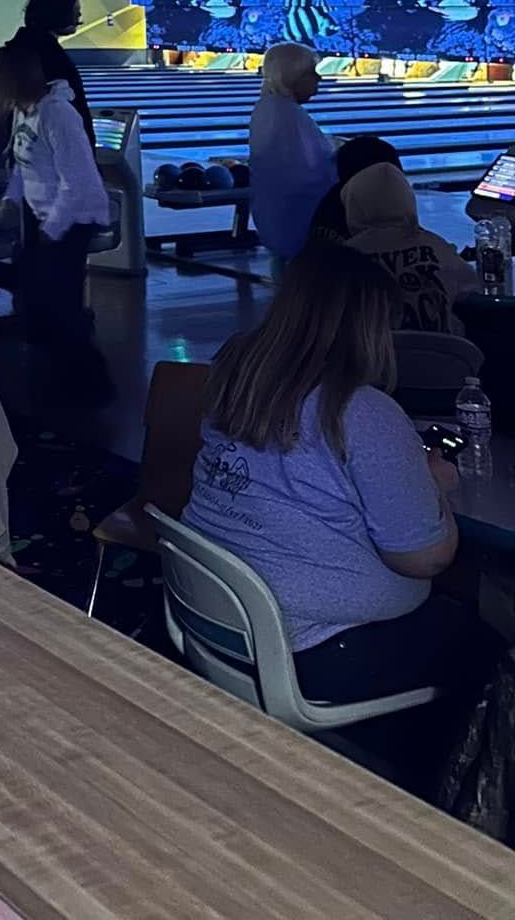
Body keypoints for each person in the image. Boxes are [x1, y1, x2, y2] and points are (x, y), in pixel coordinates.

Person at [183, 244, 497, 726]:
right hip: (321, 650)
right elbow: (425, 557)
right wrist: (433, 485)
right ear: (370, 328)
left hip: (222, 626)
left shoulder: (236, 380)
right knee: (494, 650)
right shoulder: (360, 411)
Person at [0, 35, 112, 399]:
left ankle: (92, 387)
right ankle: (57, 379)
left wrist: (52, 230)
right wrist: (11, 199)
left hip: (75, 217)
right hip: (46, 218)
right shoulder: (24, 110)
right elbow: (22, 163)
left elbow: (77, 182)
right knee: (38, 300)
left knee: (58, 303)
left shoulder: (58, 114)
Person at [338, 160, 476, 333]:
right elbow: (472, 285)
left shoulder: (340, 259)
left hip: (373, 358)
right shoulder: (435, 245)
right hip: (445, 357)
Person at [250, 43, 335, 271]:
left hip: (276, 223)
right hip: (299, 226)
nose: (319, 79)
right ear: (291, 76)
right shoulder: (287, 116)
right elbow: (311, 174)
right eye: (311, 73)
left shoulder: (270, 108)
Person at [12, 0, 94, 144]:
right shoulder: (51, 58)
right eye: (75, 9)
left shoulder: (19, 48)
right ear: (58, 12)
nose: (79, 15)